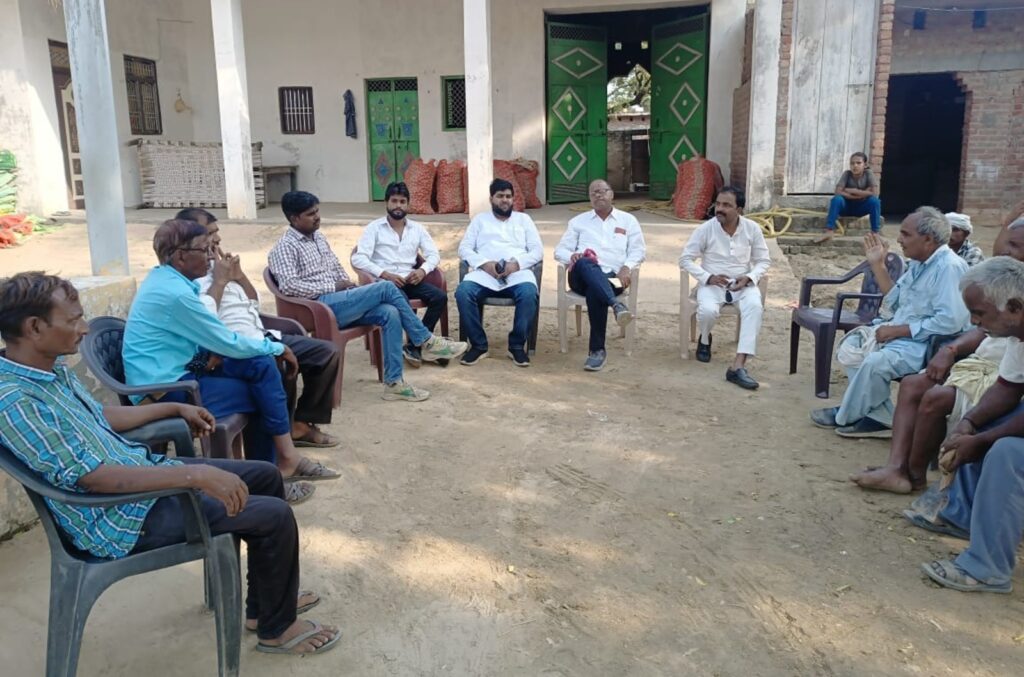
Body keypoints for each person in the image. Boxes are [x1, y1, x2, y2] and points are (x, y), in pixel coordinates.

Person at [0, 272, 340, 655]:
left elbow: (97, 416)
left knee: (263, 476)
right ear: (34, 328)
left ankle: (264, 610)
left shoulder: (48, 370)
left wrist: (173, 408)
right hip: (118, 517)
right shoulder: (15, 401)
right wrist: (194, 473)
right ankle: (277, 631)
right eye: (74, 319)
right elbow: (92, 478)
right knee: (274, 515)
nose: (84, 327)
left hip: (138, 486)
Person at [123, 220, 337, 503]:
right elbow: (225, 340)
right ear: (181, 256)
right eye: (204, 249)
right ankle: (271, 476)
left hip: (183, 371)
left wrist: (250, 349)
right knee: (262, 387)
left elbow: (207, 336)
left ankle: (276, 468)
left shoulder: (169, 280)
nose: (211, 256)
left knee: (261, 366)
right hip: (165, 390)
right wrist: (276, 347)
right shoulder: (175, 293)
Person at [849, 219, 1024, 493]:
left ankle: (914, 475)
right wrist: (950, 350)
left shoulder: (955, 269)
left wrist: (980, 436)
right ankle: (898, 469)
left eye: (1014, 244)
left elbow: (952, 322)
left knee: (933, 396)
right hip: (978, 359)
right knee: (912, 384)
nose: (1005, 249)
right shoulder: (923, 266)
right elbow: (998, 363)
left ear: (928, 239)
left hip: (956, 352)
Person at [268, 191, 467, 402]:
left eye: (317, 211)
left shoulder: (318, 237)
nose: (317, 217)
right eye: (310, 214)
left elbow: (336, 268)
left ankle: (394, 383)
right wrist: (333, 286)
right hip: (317, 307)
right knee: (386, 287)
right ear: (294, 218)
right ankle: (425, 340)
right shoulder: (284, 247)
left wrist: (347, 287)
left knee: (390, 313)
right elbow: (289, 286)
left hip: (339, 302)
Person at [176, 208, 341, 449]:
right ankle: (280, 439)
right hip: (235, 347)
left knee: (326, 353)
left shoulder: (219, 266)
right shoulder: (192, 277)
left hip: (262, 335)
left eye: (217, 232)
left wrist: (239, 276)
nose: (218, 239)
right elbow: (206, 322)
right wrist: (220, 281)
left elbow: (253, 303)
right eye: (210, 234)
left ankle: (300, 423)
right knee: (273, 364)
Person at [910, 257, 1024, 593]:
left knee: (1007, 452)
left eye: (979, 313)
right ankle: (963, 515)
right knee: (982, 425)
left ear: (1015, 307)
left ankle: (988, 568)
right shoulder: (1018, 334)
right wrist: (969, 423)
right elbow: (1008, 388)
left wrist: (984, 439)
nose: (974, 322)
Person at [811, 207, 971, 437]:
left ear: (928, 239)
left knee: (875, 362)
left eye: (905, 234)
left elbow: (950, 321)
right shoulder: (919, 263)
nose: (898, 239)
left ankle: (846, 415)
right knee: (851, 347)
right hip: (903, 334)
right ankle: (880, 417)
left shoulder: (948, 267)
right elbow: (895, 301)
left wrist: (898, 331)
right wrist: (878, 265)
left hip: (927, 344)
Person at [679, 186, 770, 390]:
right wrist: (708, 277)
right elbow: (685, 259)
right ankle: (705, 338)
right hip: (712, 283)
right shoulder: (705, 229)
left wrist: (749, 277)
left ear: (739, 210)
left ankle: (738, 366)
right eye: (718, 203)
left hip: (742, 284)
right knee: (708, 311)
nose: (719, 209)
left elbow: (764, 260)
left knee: (755, 307)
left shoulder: (752, 228)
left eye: (727, 205)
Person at [351, 182, 446, 367]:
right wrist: (385, 274)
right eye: (394, 201)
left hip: (411, 280)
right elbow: (358, 258)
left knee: (440, 297)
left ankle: (414, 346)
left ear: (408, 204)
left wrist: (422, 270)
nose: (398, 206)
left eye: (402, 202)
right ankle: (423, 344)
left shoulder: (417, 229)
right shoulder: (374, 228)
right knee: (400, 301)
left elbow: (434, 255)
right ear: (386, 202)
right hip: (386, 284)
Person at [554, 179, 645, 371]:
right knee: (585, 261)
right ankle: (616, 305)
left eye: (602, 191)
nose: (598, 195)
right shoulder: (578, 222)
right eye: (593, 192)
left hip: (615, 278)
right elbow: (559, 250)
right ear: (589, 198)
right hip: (580, 276)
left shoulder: (628, 221)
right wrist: (572, 256)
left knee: (596, 291)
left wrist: (627, 267)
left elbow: (638, 250)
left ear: (612, 194)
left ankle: (597, 351)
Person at [455, 178, 544, 367]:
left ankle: (517, 346)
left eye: (508, 196)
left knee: (529, 293)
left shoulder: (524, 220)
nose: (505, 200)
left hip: (517, 274)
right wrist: (484, 264)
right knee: (463, 292)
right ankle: (479, 345)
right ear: (491, 199)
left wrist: (516, 264)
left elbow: (537, 251)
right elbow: (464, 249)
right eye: (500, 196)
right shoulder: (480, 220)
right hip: (485, 275)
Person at [816, 152, 881, 243]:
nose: (855, 166)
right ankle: (829, 230)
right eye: (852, 163)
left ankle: (875, 233)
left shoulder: (868, 174)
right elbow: (838, 192)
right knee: (837, 199)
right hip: (846, 207)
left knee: (875, 201)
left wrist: (853, 191)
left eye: (858, 163)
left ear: (865, 165)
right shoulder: (847, 174)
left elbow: (875, 193)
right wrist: (863, 194)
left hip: (861, 208)